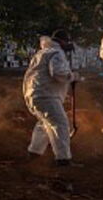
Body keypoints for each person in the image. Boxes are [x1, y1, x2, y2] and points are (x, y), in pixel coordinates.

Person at [23, 30, 78, 166]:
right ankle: (63, 160)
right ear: (62, 42)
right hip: (46, 95)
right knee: (60, 124)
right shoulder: (56, 53)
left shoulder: (42, 53)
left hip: (35, 94)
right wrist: (72, 76)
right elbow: (58, 73)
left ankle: (34, 153)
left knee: (45, 124)